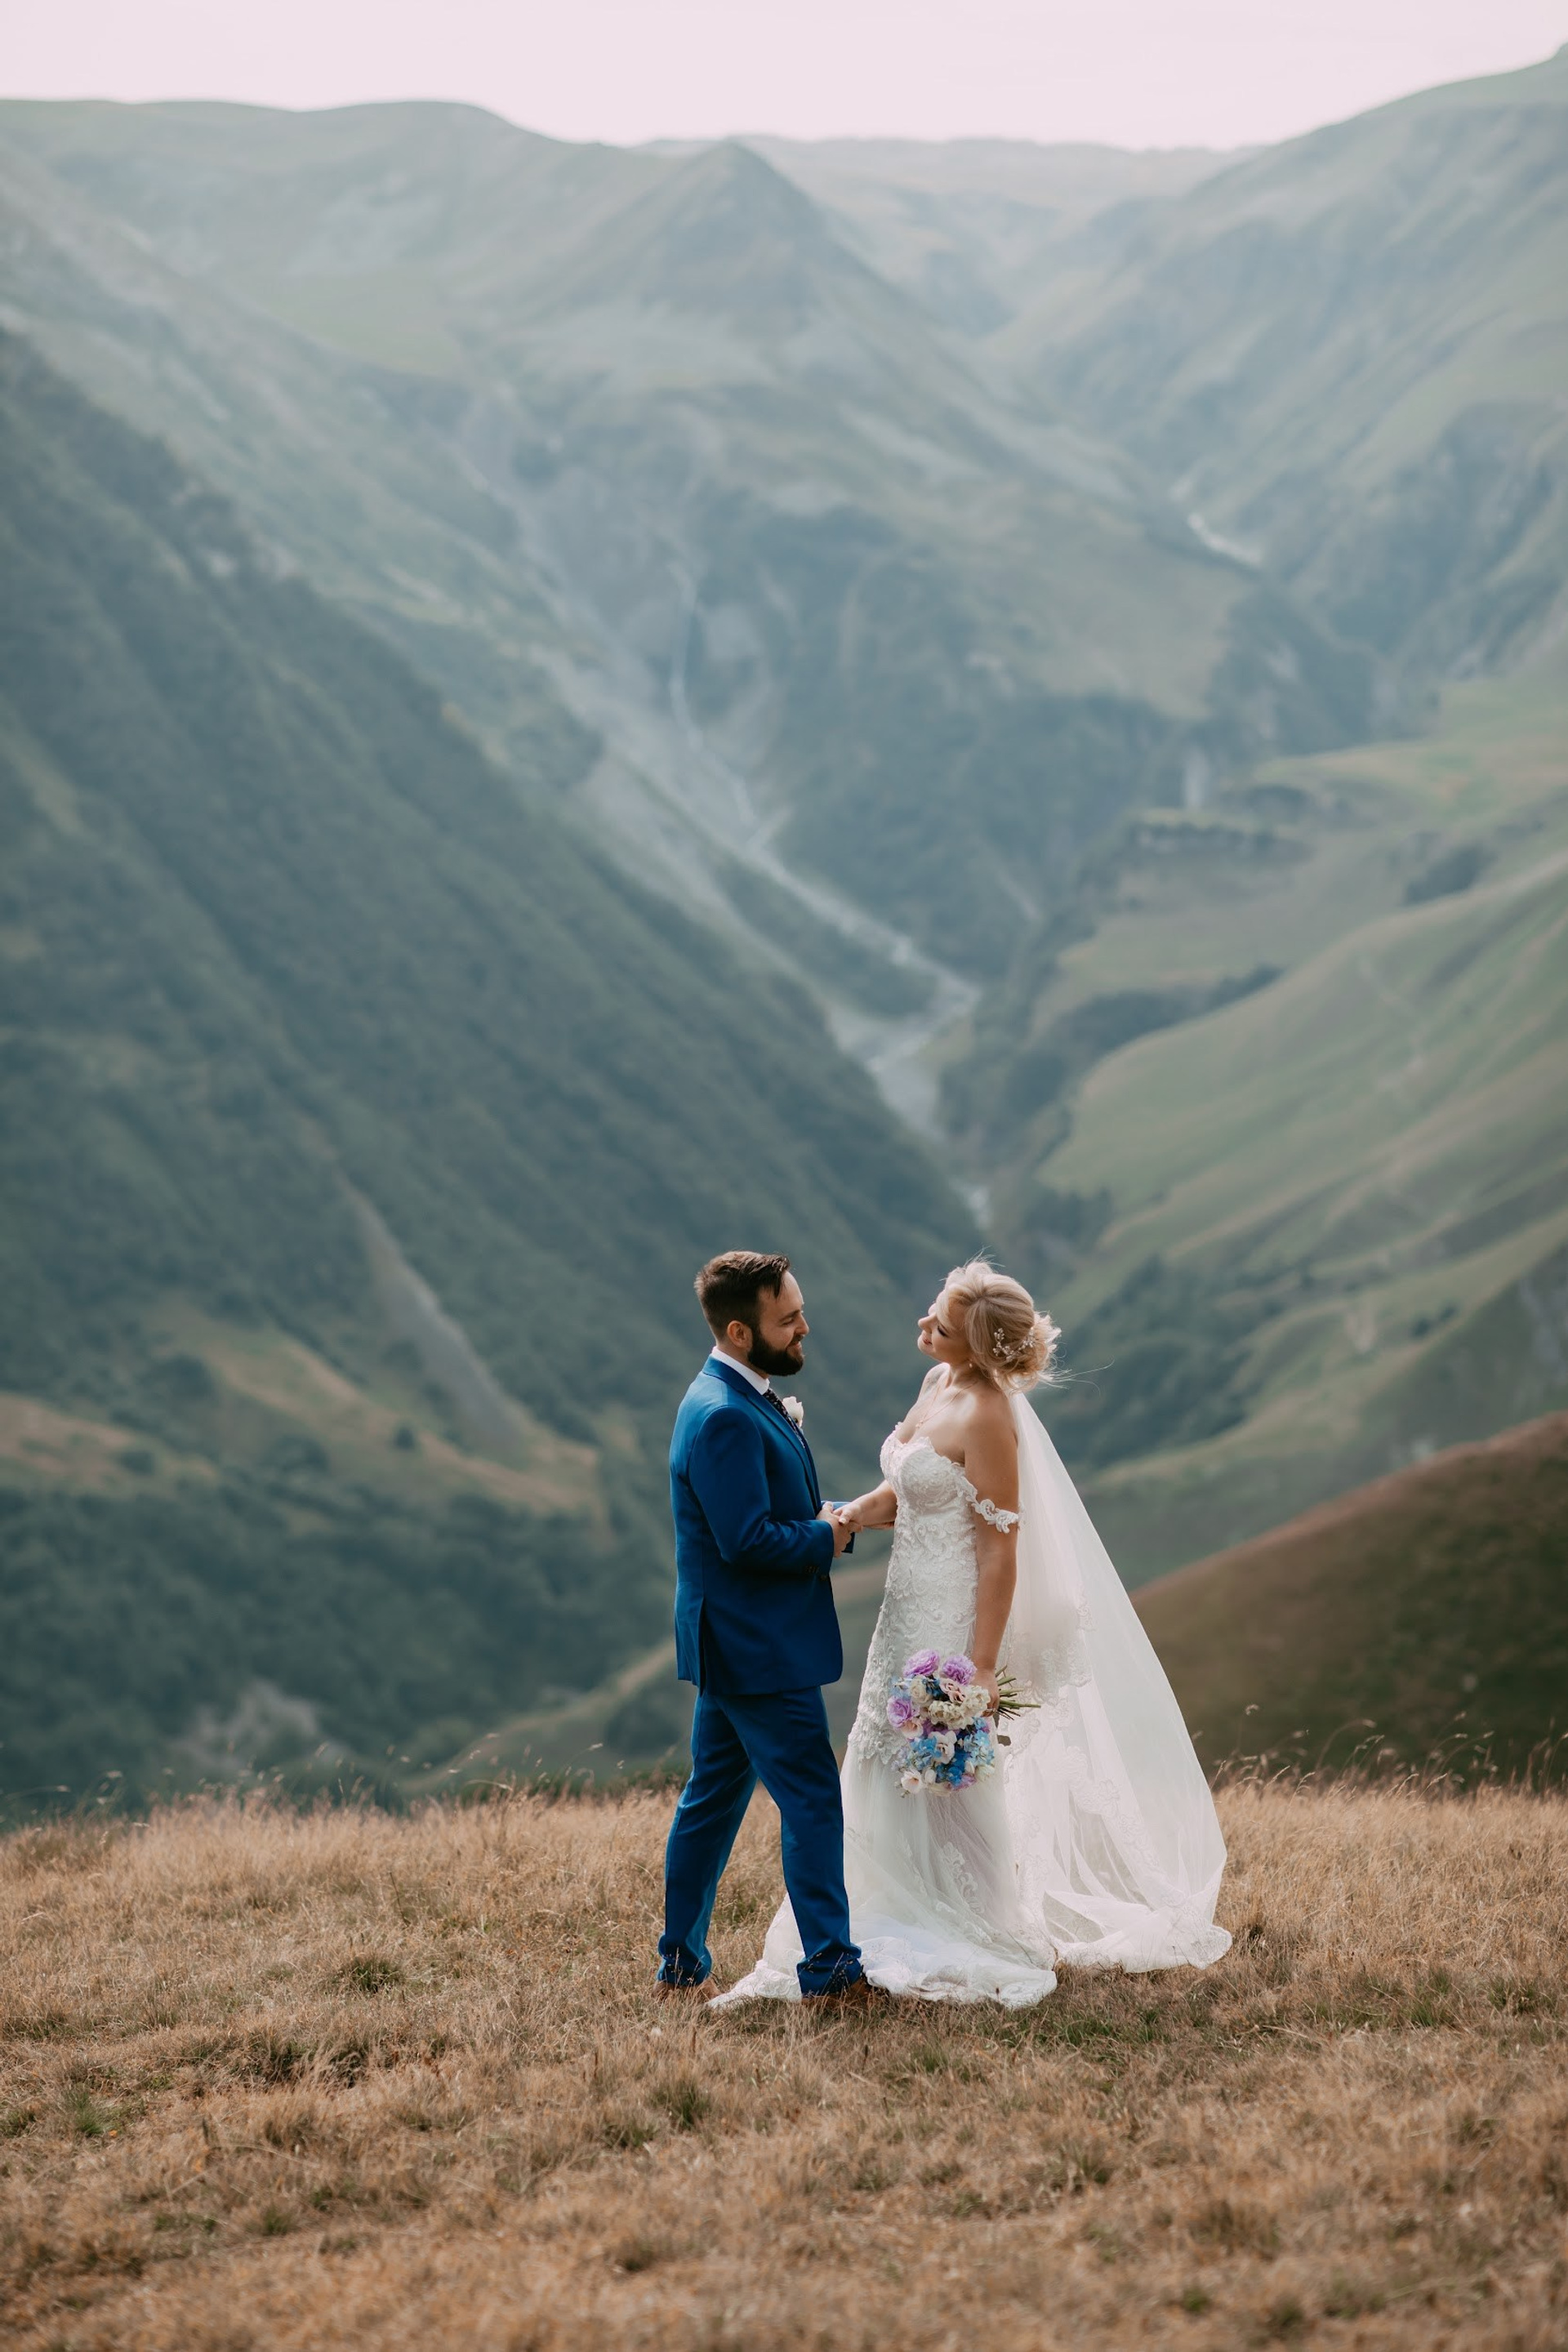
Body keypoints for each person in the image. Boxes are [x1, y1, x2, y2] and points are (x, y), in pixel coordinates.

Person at [713, 1260, 1232, 2007]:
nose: (923, 1325)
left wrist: (980, 1665)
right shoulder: (936, 1386)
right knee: (883, 1756)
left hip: (953, 1615)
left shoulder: (989, 1416)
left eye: (941, 1325)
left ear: (978, 1347)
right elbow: (915, 1489)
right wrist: (848, 1516)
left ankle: (976, 1921)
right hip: (902, 1610)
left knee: (949, 1774)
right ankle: (879, 1905)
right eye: (932, 1311)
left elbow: (999, 1546)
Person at [658, 1250, 886, 2006]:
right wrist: (833, 1533)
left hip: (735, 1638)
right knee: (814, 1798)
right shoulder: (723, 1415)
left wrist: (825, 1520)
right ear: (739, 1330)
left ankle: (681, 1965)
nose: (803, 1328)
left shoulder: (733, 1393)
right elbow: (748, 1541)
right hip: (758, 1646)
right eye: (787, 1320)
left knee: (713, 1800)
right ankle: (829, 1973)